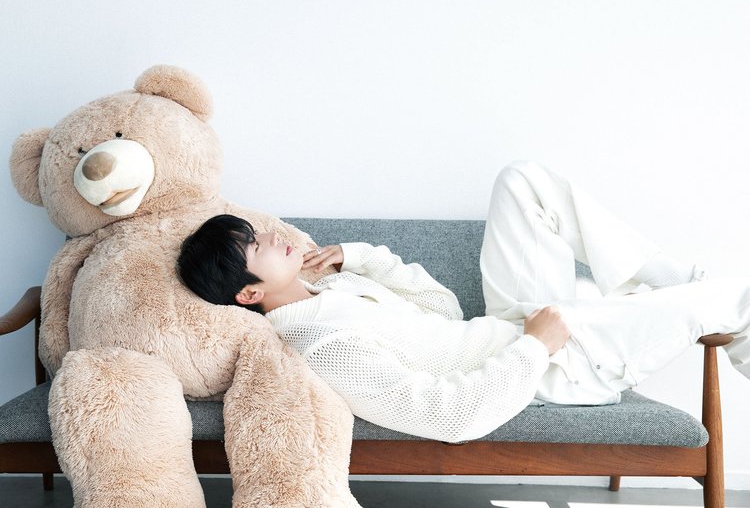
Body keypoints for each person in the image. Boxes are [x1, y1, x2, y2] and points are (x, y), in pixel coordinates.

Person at [177, 161, 750, 444]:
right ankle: (701, 300)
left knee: (522, 180)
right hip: (559, 367)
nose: (270, 236)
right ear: (249, 293)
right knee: (736, 299)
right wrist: (536, 347)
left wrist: (360, 258)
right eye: (254, 246)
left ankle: (680, 282)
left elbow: (444, 312)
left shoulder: (331, 288)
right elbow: (446, 417)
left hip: (507, 328)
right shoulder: (321, 344)